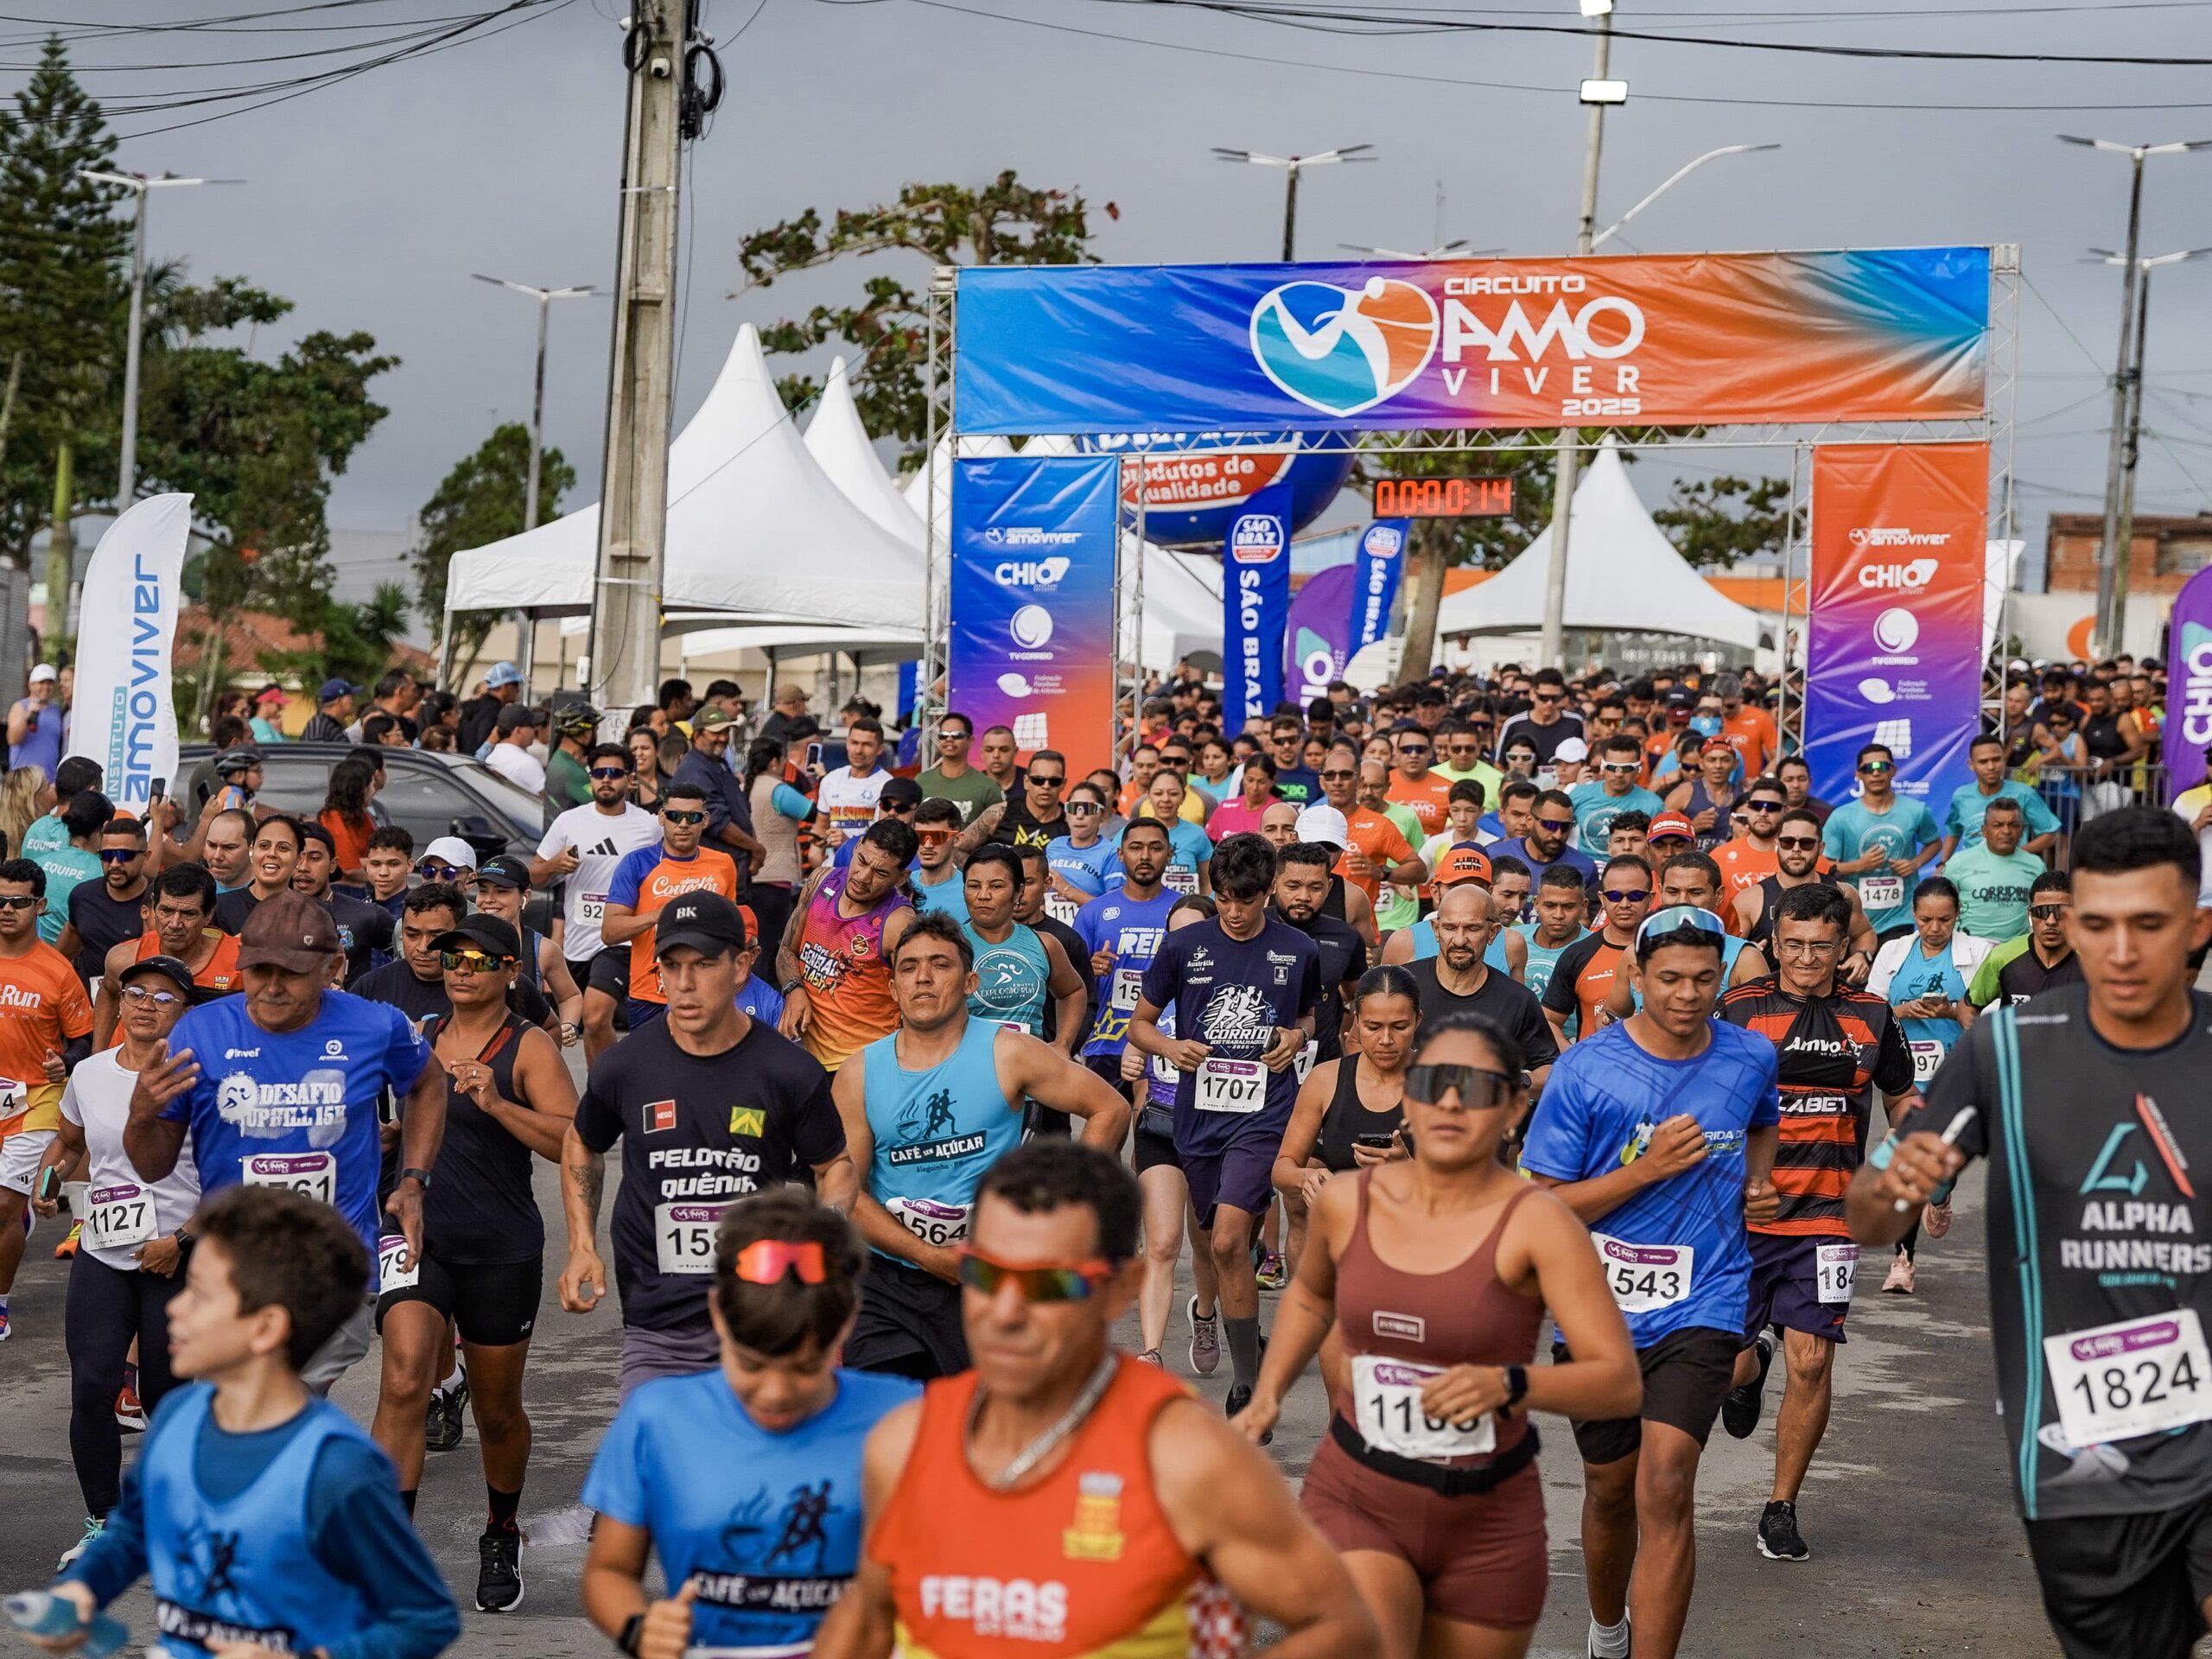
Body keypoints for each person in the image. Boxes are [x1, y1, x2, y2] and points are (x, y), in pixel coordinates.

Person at [1847, 807, 2212, 1659]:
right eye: (2097, 925)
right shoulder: (2006, 1053)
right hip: (2075, 1452)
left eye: (2148, 926)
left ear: (2196, 926)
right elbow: (1866, 1217)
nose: (2119, 953)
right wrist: (1896, 1185)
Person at [818, 1139, 1377, 1658]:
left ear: (1119, 1290)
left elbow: (1341, 1626)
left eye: (1050, 1286)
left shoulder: (1185, 1458)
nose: (1006, 1313)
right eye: (985, 1275)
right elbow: (868, 1615)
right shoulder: (904, 1442)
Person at [1242, 1013, 1643, 1657]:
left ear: (1514, 1108)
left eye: (1477, 1086)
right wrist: (1268, 1393)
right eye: (1432, 1082)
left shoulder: (1540, 1223)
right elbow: (1313, 1296)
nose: (1452, 1101)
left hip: (1487, 1516)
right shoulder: (1347, 1203)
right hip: (1359, 1489)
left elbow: (1619, 1383)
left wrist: (1511, 1382)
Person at [32, 1184, 460, 1659]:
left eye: (200, 1295)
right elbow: (136, 1530)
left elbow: (424, 1618)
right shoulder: (178, 1419)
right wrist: (84, 1591)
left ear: (265, 1327)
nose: (173, 1307)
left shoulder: (336, 1467)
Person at [1520, 905, 1782, 1659]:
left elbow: (1761, 1124)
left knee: (1665, 1484)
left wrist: (1758, 1183)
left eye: (1705, 978)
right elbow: (1543, 1204)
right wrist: (1649, 1169)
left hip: (1706, 1295)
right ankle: (1608, 1629)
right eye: (1668, 978)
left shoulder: (1748, 1057)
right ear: (1637, 976)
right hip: (1596, 1309)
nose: (1688, 994)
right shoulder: (1586, 1070)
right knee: (1610, 1489)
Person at [124, 891, 446, 1391]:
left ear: (332, 965)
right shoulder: (199, 1033)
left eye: (290, 973)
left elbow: (428, 1082)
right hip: (232, 1272)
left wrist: (413, 1181)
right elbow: (151, 1167)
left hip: (332, 1270)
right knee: (251, 1421)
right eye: (258, 971)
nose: (271, 988)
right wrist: (141, 1115)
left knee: (270, 1407)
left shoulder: (374, 1025)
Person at [581, 1191, 917, 1659]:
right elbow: (609, 1571)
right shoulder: (658, 1418)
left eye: (803, 1369)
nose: (775, 1392)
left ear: (845, 1326)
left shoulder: (907, 1418)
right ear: (718, 1314)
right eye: (752, 1365)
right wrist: (639, 1628)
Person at [561, 893, 855, 1398]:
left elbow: (835, 1167)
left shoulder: (787, 1070)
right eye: (671, 966)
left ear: (741, 964)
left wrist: (819, 1250)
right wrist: (582, 1245)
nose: (685, 984)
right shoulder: (627, 1065)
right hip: (657, 1316)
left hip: (760, 1313)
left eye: (703, 964)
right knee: (663, 1461)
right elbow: (580, 1143)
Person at [368, 912, 576, 1611]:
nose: (458, 966)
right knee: (401, 1381)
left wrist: (495, 1101)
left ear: (509, 972)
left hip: (500, 1244)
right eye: (450, 954)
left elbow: (572, 1142)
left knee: (497, 1410)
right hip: (417, 1236)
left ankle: (502, 1528)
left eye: (478, 958)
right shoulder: (418, 1039)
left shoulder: (529, 1047)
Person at [1713, 882, 1917, 1562]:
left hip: (1829, 1220)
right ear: (1774, 941)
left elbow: (1902, 1098)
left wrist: (1925, 1173)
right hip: (1743, 1218)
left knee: (1813, 1360)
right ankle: (1748, 1369)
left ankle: (1781, 1505)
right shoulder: (1739, 1010)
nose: (1805, 958)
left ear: (1843, 946)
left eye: (1820, 946)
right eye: (1793, 944)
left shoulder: (1875, 1016)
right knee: (1730, 1363)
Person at [834, 912, 1128, 1381]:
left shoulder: (1009, 1052)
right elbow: (844, 1193)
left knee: (983, 1430)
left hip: (994, 1281)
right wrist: (928, 1255)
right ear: (893, 989)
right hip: (892, 1283)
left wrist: (1062, 1213)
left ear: (971, 982)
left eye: (939, 965)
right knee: (889, 1425)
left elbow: (1109, 1109)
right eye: (908, 968)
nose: (923, 978)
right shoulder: (859, 1073)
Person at [1129, 832, 1319, 1424]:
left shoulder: (1299, 949)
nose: (1235, 912)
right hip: (1198, 1117)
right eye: (1225, 898)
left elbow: (1312, 1017)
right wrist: (1169, 1044)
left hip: (1265, 1114)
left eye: (1247, 899)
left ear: (1269, 893)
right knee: (1213, 1242)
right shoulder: (1184, 946)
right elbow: (1139, 1024)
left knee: (1233, 1240)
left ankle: (1247, 1388)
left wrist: (1297, 1036)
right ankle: (1248, 1354)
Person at [34, 953, 200, 1567]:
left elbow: (228, 1179)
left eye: (165, 998)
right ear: (119, 1001)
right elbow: (71, 1143)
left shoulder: (196, 1078)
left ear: (183, 1012)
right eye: (137, 994)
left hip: (178, 1255)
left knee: (168, 1395)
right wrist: (48, 1179)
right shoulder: (92, 1073)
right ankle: (105, 1522)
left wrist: (179, 1240)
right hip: (105, 1248)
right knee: (92, 1388)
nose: (148, 1006)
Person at [1865, 875, 1989, 1294]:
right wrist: (1905, 1008)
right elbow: (1872, 1009)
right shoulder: (1893, 952)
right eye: (1925, 920)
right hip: (1904, 1072)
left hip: (1955, 1071)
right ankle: (1903, 1261)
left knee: (1938, 1165)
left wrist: (1952, 1011)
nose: (1934, 929)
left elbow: (1991, 1012)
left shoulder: (1979, 952)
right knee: (1907, 1154)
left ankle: (1941, 1195)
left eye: (1944, 920)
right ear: (1913, 916)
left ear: (1958, 916)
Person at [0, 857, 95, 1339]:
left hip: (34, 1098)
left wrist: (68, 1060)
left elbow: (84, 1036)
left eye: (18, 902)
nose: (7, 910)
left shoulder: (58, 971)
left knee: (0, 1205)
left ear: (39, 905)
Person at [534, 741, 660, 1058]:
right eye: (599, 772)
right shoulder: (569, 821)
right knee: (591, 1025)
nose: (606, 779)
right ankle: (599, 1092)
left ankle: (607, 1090)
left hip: (620, 938)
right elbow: (534, 874)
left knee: (595, 1014)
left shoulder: (648, 826)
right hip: (578, 940)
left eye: (615, 773)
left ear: (630, 779)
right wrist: (553, 866)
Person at [776, 819, 918, 1075]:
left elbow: (917, 1002)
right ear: (856, 847)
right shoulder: (820, 881)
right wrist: (794, 990)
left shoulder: (900, 924)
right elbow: (786, 951)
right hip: (805, 1058)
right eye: (862, 861)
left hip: (862, 1065)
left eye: (881, 873)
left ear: (902, 877)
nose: (863, 878)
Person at [603, 783, 741, 1032]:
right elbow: (610, 932)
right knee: (651, 1069)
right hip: (650, 994)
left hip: (706, 992)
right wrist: (657, 916)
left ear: (705, 820)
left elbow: (731, 930)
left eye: (693, 817)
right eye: (675, 816)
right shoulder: (636, 863)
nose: (684, 824)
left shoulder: (724, 864)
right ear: (661, 817)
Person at [1406, 883, 1559, 1084]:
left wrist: (1505, 1083)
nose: (1459, 940)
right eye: (1450, 927)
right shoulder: (1404, 984)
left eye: (1472, 928)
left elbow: (1551, 1071)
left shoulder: (1518, 1000)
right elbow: (1359, 1043)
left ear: (1493, 932)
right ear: (1436, 929)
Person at [92, 866, 240, 1047]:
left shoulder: (240, 962)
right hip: (135, 1067)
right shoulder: (124, 958)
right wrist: (97, 1054)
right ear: (153, 906)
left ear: (208, 914)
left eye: (188, 914)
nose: (175, 924)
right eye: (166, 911)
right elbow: (108, 992)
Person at [1821, 743, 1942, 942]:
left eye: (1882, 767)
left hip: (1899, 916)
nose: (1876, 773)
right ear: (1858, 774)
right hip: (1854, 915)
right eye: (1868, 768)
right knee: (1857, 972)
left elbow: (1934, 843)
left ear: (1894, 770)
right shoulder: (1841, 817)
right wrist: (1859, 865)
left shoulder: (1916, 810)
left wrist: (1915, 863)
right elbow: (1824, 867)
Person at [1735, 808, 1878, 971]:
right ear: (1777, 845)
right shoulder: (1749, 900)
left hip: (1831, 993)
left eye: (1806, 843)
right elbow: (1727, 951)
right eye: (1788, 842)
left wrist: (1861, 955)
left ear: (1821, 848)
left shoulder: (1845, 894)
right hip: (1770, 994)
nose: (1796, 849)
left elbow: (1864, 934)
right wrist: (1746, 953)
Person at [1541, 854, 1654, 1046]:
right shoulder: (1578, 954)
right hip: (1594, 1071)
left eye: (1635, 896)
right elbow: (1549, 1019)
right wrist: (1570, 1056)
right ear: (1602, 899)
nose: (1624, 904)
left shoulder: (1670, 952)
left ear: (1650, 899)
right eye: (1615, 896)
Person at [469, 855, 583, 1041]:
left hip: (523, 1055)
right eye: (483, 891)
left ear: (525, 897)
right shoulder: (460, 941)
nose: (489, 899)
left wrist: (568, 1025)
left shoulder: (543, 949)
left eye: (501, 892)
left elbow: (570, 996)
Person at [290, 823, 397, 988]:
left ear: (333, 864)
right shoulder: (267, 913)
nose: (303, 867)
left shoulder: (367, 915)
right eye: (298, 857)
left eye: (314, 858)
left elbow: (409, 960)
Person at [672, 705, 764, 887]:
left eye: (725, 731)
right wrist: (756, 848)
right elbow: (717, 821)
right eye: (715, 733)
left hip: (731, 869)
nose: (722, 738)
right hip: (712, 874)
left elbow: (740, 811)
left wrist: (752, 844)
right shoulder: (695, 769)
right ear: (697, 736)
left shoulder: (716, 763)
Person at [1967, 868, 2083, 1009]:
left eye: (2060, 912)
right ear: (2030, 914)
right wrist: (1976, 1031)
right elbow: (1969, 1007)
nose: (2050, 921)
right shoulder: (2002, 957)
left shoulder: (2093, 961)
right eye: (2042, 912)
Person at [1941, 733, 2061, 862]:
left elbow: (2051, 834)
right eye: (1983, 762)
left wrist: (2017, 853)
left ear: (2004, 760)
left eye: (1996, 759)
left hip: (2013, 871)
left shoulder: (2024, 793)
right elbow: (1953, 832)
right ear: (1971, 764)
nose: (1991, 767)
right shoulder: (1961, 795)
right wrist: (1942, 864)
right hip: (1971, 872)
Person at [58, 816, 149, 986]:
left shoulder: (158, 902)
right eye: (107, 855)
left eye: (124, 856)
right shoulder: (82, 895)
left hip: (136, 1000)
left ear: (146, 857)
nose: (114, 863)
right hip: (88, 1002)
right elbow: (61, 955)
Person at [1946, 795, 2046, 943]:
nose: (2006, 831)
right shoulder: (1959, 862)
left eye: (2014, 825)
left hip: (2016, 951)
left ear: (2022, 830)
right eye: (1998, 825)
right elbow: (1941, 905)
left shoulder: (2036, 865)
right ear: (1984, 830)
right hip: (1969, 948)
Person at [29, 790, 109, 949]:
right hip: (72, 963)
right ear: (105, 827)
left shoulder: (37, 864)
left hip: (33, 957)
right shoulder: (103, 874)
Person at [957, 747, 1071, 855]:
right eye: (1038, 780)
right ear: (1026, 782)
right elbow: (957, 848)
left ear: (1063, 784)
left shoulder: (1071, 823)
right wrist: (975, 873)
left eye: (1054, 781)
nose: (1046, 786)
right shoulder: (999, 814)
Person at [1572, 734, 1668, 854]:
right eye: (1612, 767)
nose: (1618, 774)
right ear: (1603, 767)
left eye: (1626, 768)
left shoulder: (1654, 805)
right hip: (1586, 869)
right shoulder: (1579, 794)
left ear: (1639, 769)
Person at [213, 814, 302, 936]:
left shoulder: (315, 913)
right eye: (264, 846)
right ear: (251, 851)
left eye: (283, 848)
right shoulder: (219, 908)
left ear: (299, 859)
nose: (272, 853)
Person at [1491, 787, 1599, 886]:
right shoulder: (1495, 856)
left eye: (1566, 826)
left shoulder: (1585, 867)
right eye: (1550, 825)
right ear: (1530, 821)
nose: (1558, 835)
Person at [915, 712, 1002, 826]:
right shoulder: (921, 781)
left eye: (956, 735)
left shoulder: (988, 787)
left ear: (970, 741)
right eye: (943, 735)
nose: (949, 739)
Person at [1497, 668, 1586, 766]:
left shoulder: (1575, 723)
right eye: (1544, 698)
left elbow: (1582, 760)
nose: (1549, 703)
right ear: (1532, 694)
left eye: (1555, 698)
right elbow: (1500, 765)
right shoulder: (1514, 724)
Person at [317, 753, 381, 888]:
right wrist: (380, 881)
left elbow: (378, 852)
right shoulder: (333, 818)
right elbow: (349, 867)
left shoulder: (362, 817)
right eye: (370, 785)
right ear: (359, 789)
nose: (373, 790)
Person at [9, 661, 62, 780]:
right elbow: (12, 739)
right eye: (41, 683)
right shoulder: (20, 706)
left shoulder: (57, 710)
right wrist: (27, 716)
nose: (46, 687)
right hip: (23, 780)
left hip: (49, 781)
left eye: (50, 683)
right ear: (31, 685)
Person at [543, 704, 600, 810]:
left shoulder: (559, 759)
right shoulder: (572, 771)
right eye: (595, 731)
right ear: (587, 734)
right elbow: (603, 808)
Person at [300, 678, 356, 744]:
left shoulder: (331, 725)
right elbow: (314, 753)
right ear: (338, 700)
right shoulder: (318, 727)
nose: (353, 701)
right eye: (351, 697)